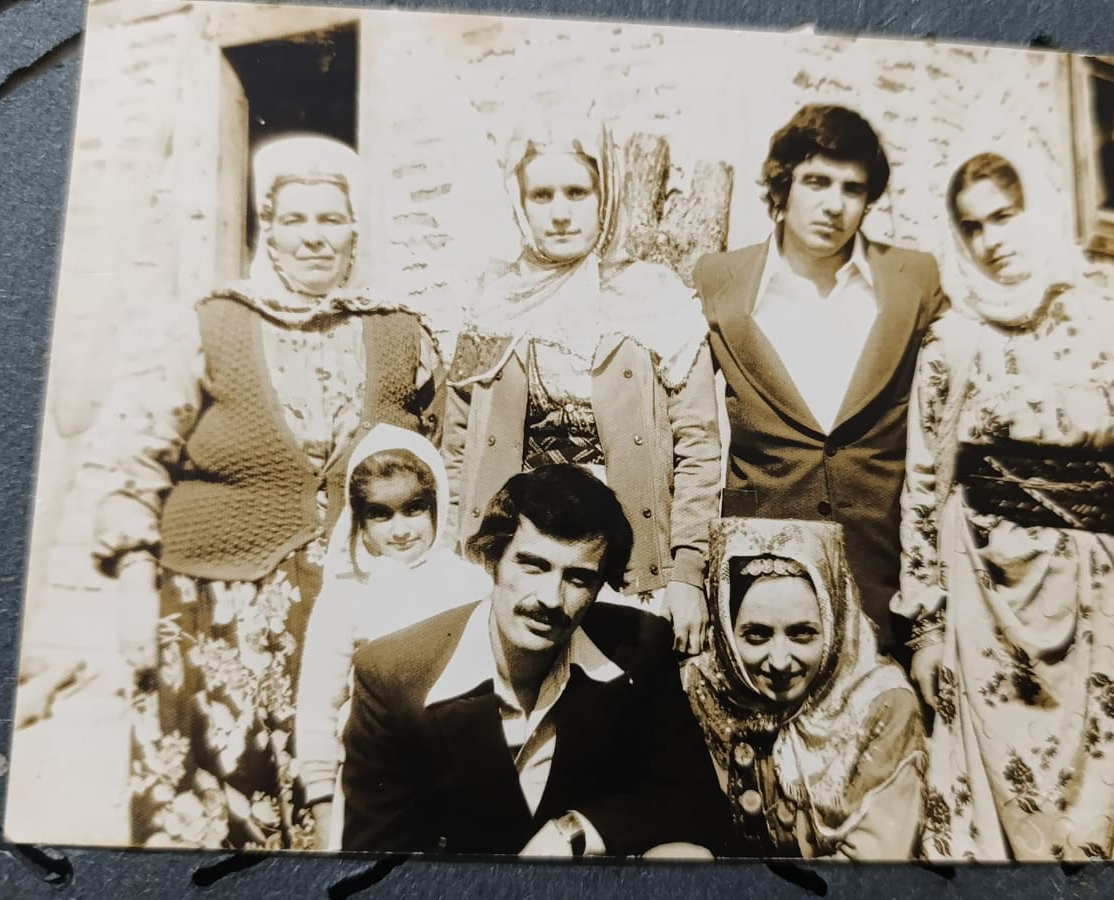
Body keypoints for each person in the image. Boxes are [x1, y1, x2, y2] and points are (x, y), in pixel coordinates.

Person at [85, 133, 442, 850]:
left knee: (350, 799)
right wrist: (130, 583)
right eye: (294, 219)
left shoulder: (401, 332)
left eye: (331, 219)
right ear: (268, 230)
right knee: (214, 807)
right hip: (214, 604)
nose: (314, 237)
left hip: (354, 601)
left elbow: (434, 458)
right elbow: (136, 458)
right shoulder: (212, 323)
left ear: (355, 230)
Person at [894, 147, 1114, 861]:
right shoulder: (953, 342)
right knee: (997, 796)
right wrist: (927, 627)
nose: (990, 241)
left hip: (1097, 591)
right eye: (972, 227)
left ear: (1040, 209)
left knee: (1105, 777)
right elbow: (924, 484)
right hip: (982, 593)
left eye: (1004, 217)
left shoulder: (1113, 329)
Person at [341, 464, 729, 856]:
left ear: (600, 587)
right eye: (533, 566)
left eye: (578, 578)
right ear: (492, 559)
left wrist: (577, 830)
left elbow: (698, 807)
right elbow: (374, 862)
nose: (550, 599)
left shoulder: (638, 648)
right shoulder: (392, 675)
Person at [442, 117, 721, 657]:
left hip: (626, 564)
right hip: (512, 561)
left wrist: (688, 572)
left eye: (577, 192)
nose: (560, 212)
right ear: (519, 202)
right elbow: (456, 449)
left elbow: (699, 449)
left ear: (606, 195)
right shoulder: (491, 304)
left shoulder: (656, 300)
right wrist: (457, 562)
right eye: (541, 195)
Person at [693, 104, 947, 662]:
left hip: (881, 579)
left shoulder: (914, 281)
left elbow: (947, 421)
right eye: (816, 181)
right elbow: (681, 427)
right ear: (783, 184)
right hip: (760, 579)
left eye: (853, 189)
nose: (835, 204)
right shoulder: (717, 281)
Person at [295, 424, 491, 850]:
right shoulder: (346, 594)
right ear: (359, 521)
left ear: (436, 505)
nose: (400, 529)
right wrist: (323, 803)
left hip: (461, 779)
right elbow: (317, 706)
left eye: (413, 509)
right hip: (373, 783)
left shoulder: (471, 584)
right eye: (380, 514)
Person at [683, 518, 925, 860]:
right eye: (757, 635)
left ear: (836, 624)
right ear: (725, 631)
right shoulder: (704, 687)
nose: (780, 662)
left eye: (802, 634)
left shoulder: (881, 703)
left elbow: (875, 865)